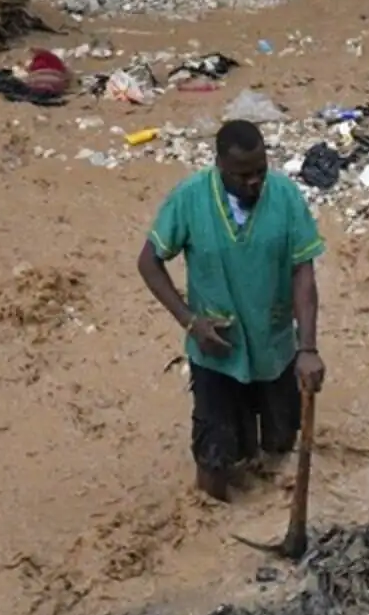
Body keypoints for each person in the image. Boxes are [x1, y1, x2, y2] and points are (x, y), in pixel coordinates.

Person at [138, 120, 327, 503]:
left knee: (278, 445)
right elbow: (148, 263)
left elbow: (302, 273)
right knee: (214, 460)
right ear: (220, 166)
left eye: (260, 171)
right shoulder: (190, 199)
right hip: (217, 353)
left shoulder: (286, 197)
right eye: (243, 175)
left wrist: (307, 349)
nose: (255, 182)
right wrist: (191, 322)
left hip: (274, 348)